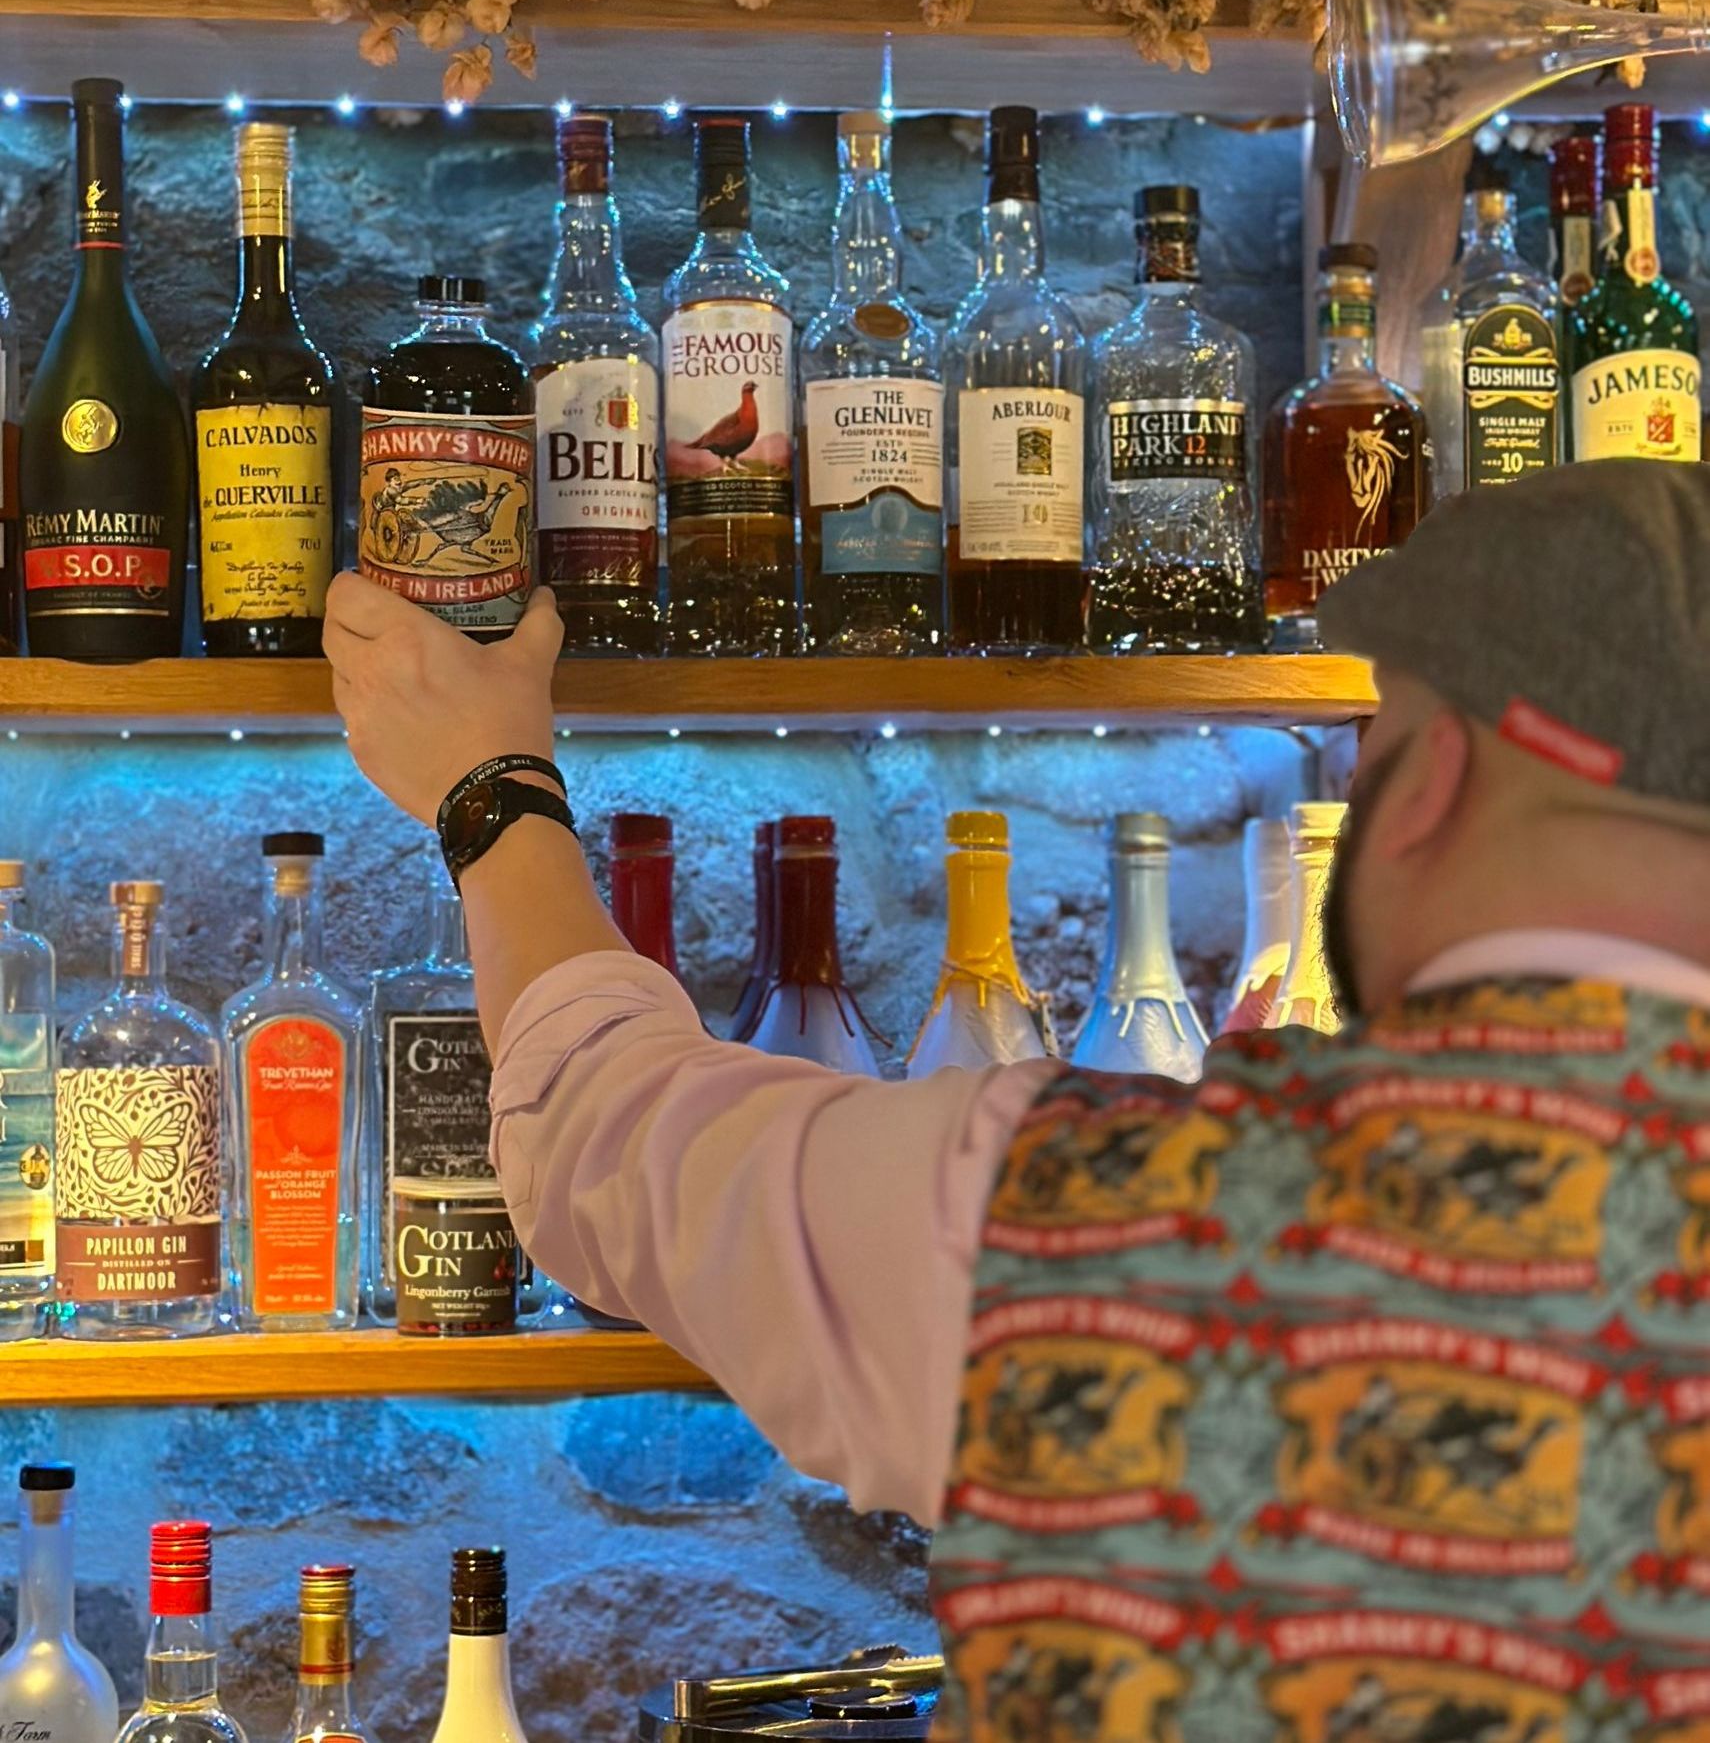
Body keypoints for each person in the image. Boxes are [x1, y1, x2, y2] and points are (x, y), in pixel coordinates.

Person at [327, 459, 1710, 1741]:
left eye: (1376, 748)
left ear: (1437, 782)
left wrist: (491, 788)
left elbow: (605, 1131)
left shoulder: (1061, 1217)